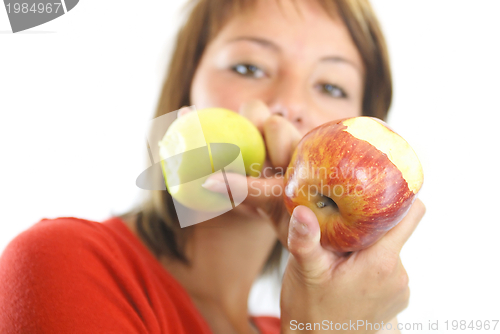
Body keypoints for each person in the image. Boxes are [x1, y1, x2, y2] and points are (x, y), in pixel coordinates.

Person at [0, 0, 426, 333]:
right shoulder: (65, 263)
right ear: (187, 91)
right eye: (248, 67)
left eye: (330, 86)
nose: (287, 105)